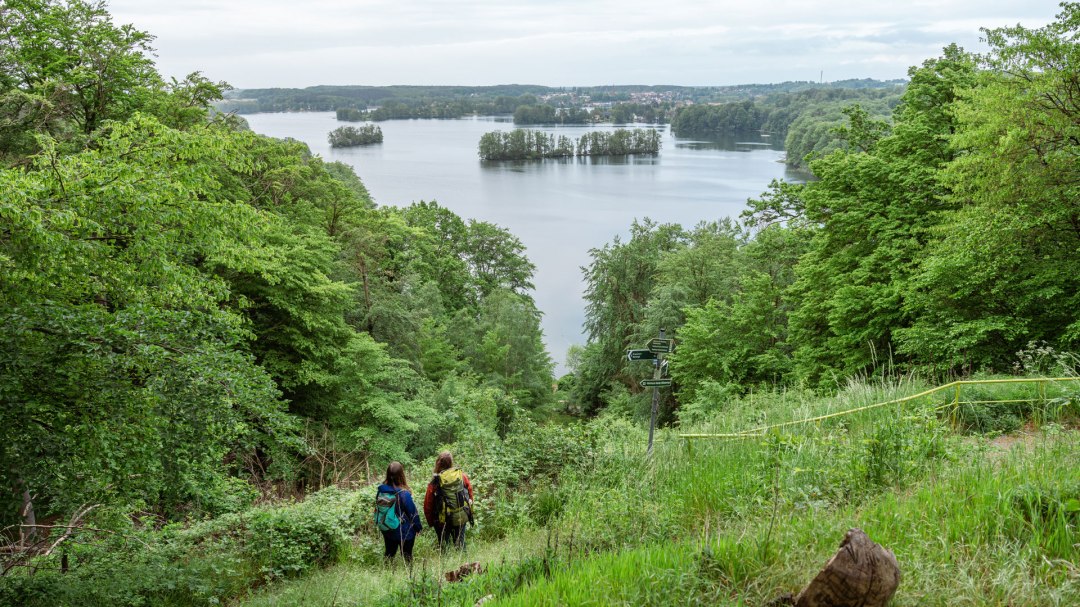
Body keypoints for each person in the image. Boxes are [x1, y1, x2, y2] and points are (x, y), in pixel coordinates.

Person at [423, 451, 474, 551]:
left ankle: (444, 564)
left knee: (444, 546)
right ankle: (465, 563)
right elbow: (470, 492)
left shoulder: (435, 482)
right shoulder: (461, 476)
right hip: (460, 514)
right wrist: (469, 510)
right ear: (451, 462)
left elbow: (427, 505)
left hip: (442, 520)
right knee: (460, 543)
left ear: (438, 463)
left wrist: (431, 522)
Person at [377, 461, 422, 564]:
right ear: (401, 475)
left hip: (387, 528)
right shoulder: (404, 494)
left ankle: (387, 574)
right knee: (407, 556)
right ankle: (409, 575)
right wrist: (418, 527)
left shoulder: (381, 491)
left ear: (387, 474)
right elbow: (412, 513)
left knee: (389, 554)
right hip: (404, 531)